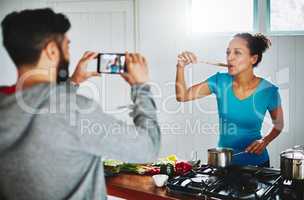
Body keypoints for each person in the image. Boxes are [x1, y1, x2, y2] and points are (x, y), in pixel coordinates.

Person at [0, 8, 160, 200]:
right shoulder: (76, 110)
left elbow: (43, 110)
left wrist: (73, 82)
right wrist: (141, 86)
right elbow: (148, 148)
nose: (68, 52)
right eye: (67, 46)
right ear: (51, 50)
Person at [175, 33, 284, 167]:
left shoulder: (268, 90)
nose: (229, 58)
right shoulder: (219, 81)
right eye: (228, 53)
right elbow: (182, 96)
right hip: (223, 163)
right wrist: (180, 67)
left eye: (237, 53)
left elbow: (279, 125)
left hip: (257, 165)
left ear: (253, 59)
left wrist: (265, 141)